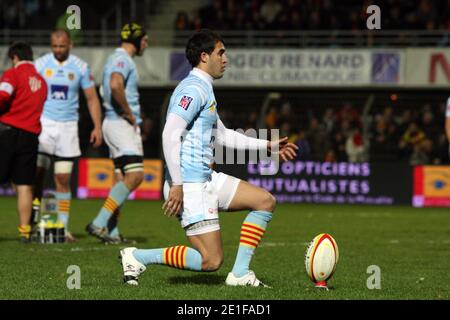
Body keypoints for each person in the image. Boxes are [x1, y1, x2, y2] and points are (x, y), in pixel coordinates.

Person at [118, 29, 298, 287]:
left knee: (264, 201)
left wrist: (267, 147)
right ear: (204, 56)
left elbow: (223, 137)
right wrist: (177, 184)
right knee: (211, 261)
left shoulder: (204, 88)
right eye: (220, 53)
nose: (225, 59)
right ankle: (136, 256)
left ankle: (239, 274)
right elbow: (170, 134)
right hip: (190, 184)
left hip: (205, 177)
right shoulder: (192, 89)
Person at [33, 29, 103, 242]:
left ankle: (62, 227)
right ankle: (36, 223)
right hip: (44, 125)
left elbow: (91, 98)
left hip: (68, 128)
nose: (58, 50)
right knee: (37, 174)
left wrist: (97, 126)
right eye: (54, 46)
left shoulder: (81, 67)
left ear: (70, 44)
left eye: (62, 46)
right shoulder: (41, 64)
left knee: (62, 178)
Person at [85, 23, 149, 244]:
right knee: (136, 176)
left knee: (121, 178)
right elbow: (115, 84)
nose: (147, 44)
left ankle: (111, 232)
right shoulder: (123, 59)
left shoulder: (114, 58)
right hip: (120, 123)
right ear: (136, 39)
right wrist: (129, 114)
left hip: (111, 123)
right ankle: (99, 222)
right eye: (145, 40)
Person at [0, 42, 47, 242]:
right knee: (25, 185)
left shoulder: (12, 74)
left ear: (14, 57)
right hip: (31, 136)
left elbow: (3, 96)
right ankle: (25, 231)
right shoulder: (42, 81)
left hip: (8, 133)